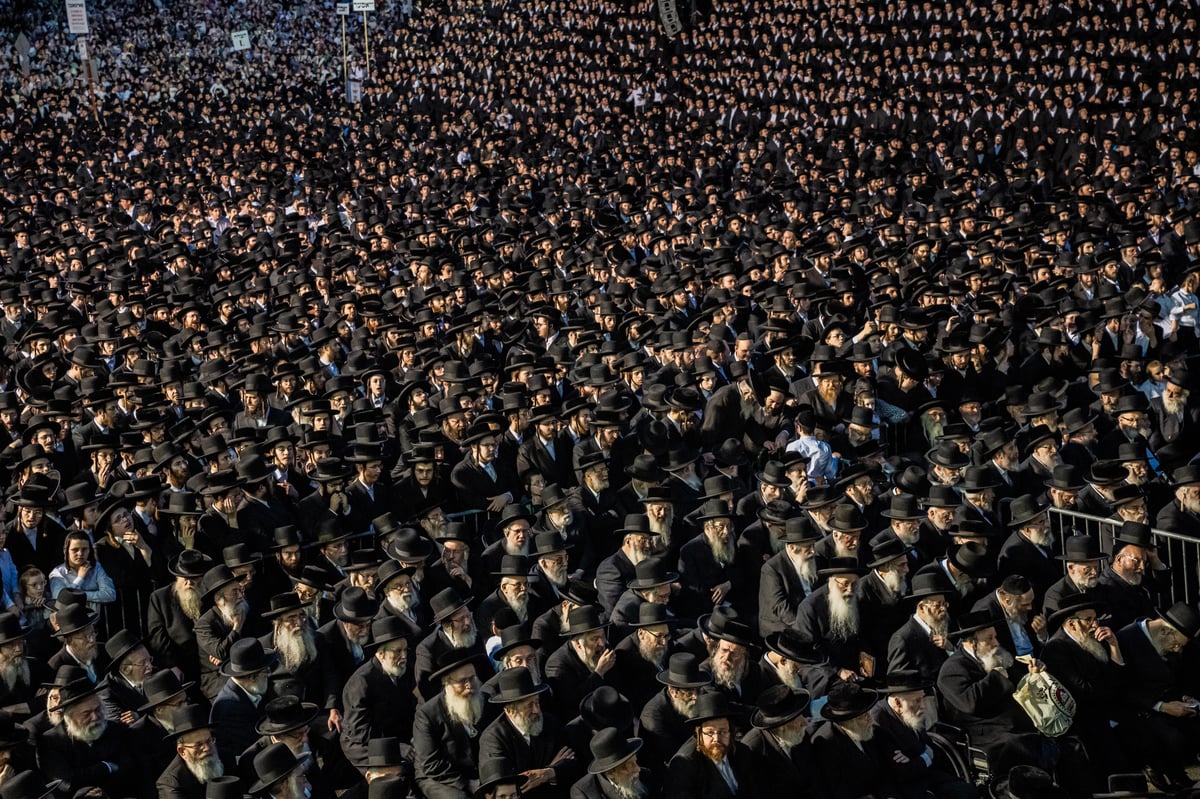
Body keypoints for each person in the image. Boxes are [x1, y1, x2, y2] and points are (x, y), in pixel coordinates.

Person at [664, 692, 755, 799]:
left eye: (722, 732)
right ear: (699, 733)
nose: (716, 739)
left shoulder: (742, 751)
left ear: (731, 732)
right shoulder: (684, 764)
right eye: (710, 732)